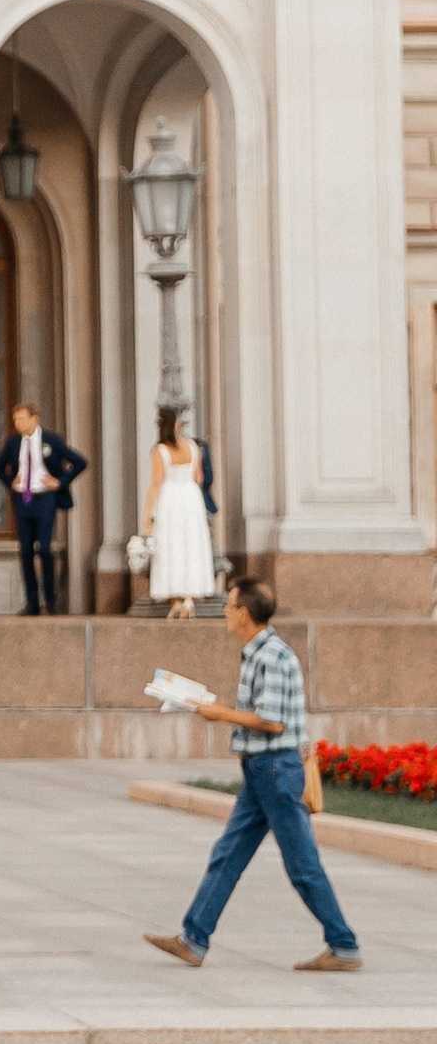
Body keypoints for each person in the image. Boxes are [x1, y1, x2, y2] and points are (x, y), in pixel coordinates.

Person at [144, 577, 362, 974]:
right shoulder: (258, 653)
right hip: (263, 770)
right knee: (227, 855)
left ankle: (343, 945)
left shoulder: (271, 656)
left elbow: (272, 721)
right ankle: (194, 938)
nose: (225, 614)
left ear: (244, 613)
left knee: (302, 865)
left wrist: (219, 713)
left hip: (275, 770)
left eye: (228, 607)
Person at [0, 401, 88, 616]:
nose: (18, 423)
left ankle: (51, 600)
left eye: (22, 418)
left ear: (34, 419)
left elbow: (80, 462)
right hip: (23, 499)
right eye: (16, 420)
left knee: (44, 549)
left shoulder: (51, 441)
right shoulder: (13, 443)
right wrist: (11, 483)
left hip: (45, 498)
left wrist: (60, 482)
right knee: (26, 550)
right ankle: (32, 602)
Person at [142, 402, 216, 619]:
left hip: (170, 499)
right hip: (191, 499)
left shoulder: (160, 450)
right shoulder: (193, 447)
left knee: (171, 546)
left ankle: (176, 599)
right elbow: (199, 477)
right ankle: (189, 599)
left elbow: (156, 483)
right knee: (191, 545)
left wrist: (148, 514)